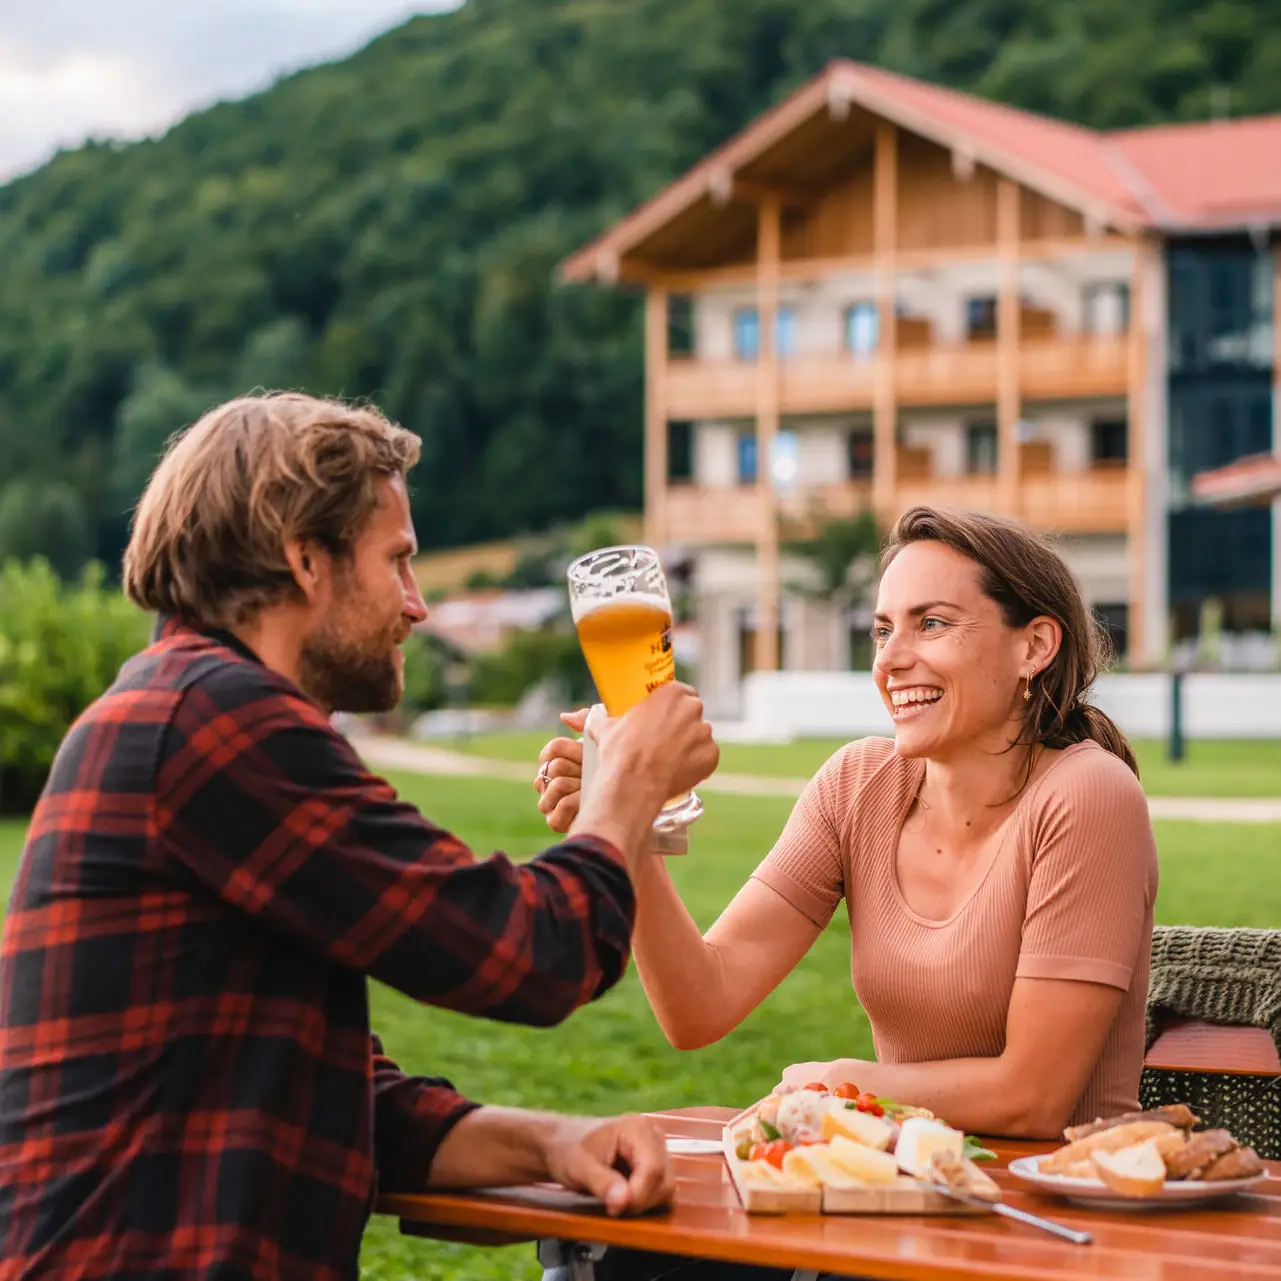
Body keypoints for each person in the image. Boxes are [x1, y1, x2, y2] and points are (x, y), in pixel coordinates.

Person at [0, 392, 721, 1281]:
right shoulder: (215, 721)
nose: (417, 605)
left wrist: (554, 1142)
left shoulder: (187, 709)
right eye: (399, 561)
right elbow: (525, 951)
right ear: (307, 561)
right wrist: (626, 790)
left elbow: (333, 1093)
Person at [536, 506, 1159, 1147]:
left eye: (933, 624)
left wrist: (839, 1083)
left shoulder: (1089, 794)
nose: (891, 660)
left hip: (1070, 1214)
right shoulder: (858, 785)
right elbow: (699, 1005)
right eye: (882, 630)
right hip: (911, 1196)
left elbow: (1034, 1098)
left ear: (1034, 646)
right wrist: (630, 821)